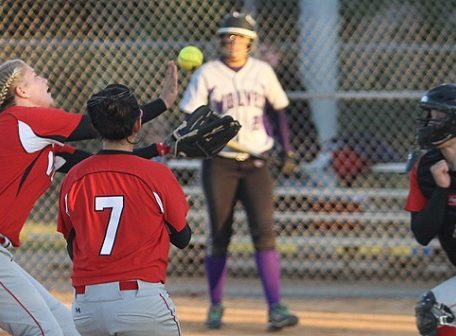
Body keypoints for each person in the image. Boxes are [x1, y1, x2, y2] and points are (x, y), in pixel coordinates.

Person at [0, 58, 177, 335]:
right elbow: (103, 123)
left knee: (67, 326)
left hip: (3, 255)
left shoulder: (41, 142)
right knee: (44, 332)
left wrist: (164, 148)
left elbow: (107, 161)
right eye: (35, 77)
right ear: (21, 91)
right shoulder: (22, 118)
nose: (44, 80)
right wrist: (163, 102)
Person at [179, 11, 299, 332]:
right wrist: (206, 131)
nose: (232, 43)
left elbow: (281, 110)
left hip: (257, 160)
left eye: (239, 38)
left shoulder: (262, 72)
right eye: (226, 37)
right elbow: (190, 116)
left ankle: (276, 307)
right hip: (220, 162)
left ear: (250, 43)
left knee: (264, 232)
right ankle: (215, 306)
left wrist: (287, 150)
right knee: (220, 233)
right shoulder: (207, 73)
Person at [57, 84, 190, 335]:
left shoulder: (74, 177)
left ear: (95, 128)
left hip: (86, 308)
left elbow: (73, 246)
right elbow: (183, 238)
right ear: (137, 125)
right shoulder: (156, 174)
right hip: (141, 301)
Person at [405, 83, 456, 336]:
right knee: (441, 317)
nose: (429, 122)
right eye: (428, 115)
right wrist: (442, 190)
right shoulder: (426, 167)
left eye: (438, 116)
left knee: (435, 308)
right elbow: (422, 233)